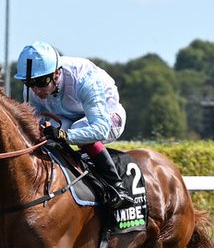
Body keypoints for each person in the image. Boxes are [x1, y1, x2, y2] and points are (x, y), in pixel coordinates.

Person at [15, 40, 133, 208]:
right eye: (29, 84)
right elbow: (33, 126)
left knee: (77, 130)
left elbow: (100, 129)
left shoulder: (84, 79)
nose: (35, 90)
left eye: (41, 83)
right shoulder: (35, 85)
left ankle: (117, 186)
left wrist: (64, 135)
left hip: (107, 116)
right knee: (44, 135)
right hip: (67, 117)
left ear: (56, 73)